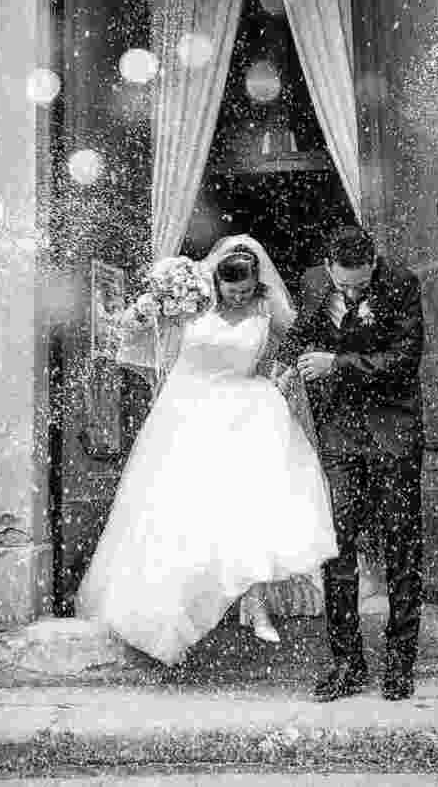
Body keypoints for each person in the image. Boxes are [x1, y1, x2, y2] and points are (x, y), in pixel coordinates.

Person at [75, 235, 337, 664]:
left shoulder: (266, 305)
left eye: (247, 289)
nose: (240, 296)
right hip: (188, 409)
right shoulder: (191, 296)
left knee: (250, 508)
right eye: (233, 290)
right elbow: (134, 329)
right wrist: (144, 309)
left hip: (248, 409)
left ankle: (254, 602)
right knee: (181, 512)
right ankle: (168, 611)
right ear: (217, 281)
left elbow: (300, 337)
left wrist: (286, 372)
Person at [277, 224, 426, 702]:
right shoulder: (314, 283)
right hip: (339, 432)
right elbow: (303, 330)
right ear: (328, 269)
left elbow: (405, 358)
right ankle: (346, 664)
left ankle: (399, 663)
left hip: (392, 429)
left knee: (401, 545)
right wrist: (284, 365)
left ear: (373, 265)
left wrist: (336, 363)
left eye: (361, 284)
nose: (353, 293)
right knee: (336, 545)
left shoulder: (401, 282)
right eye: (345, 284)